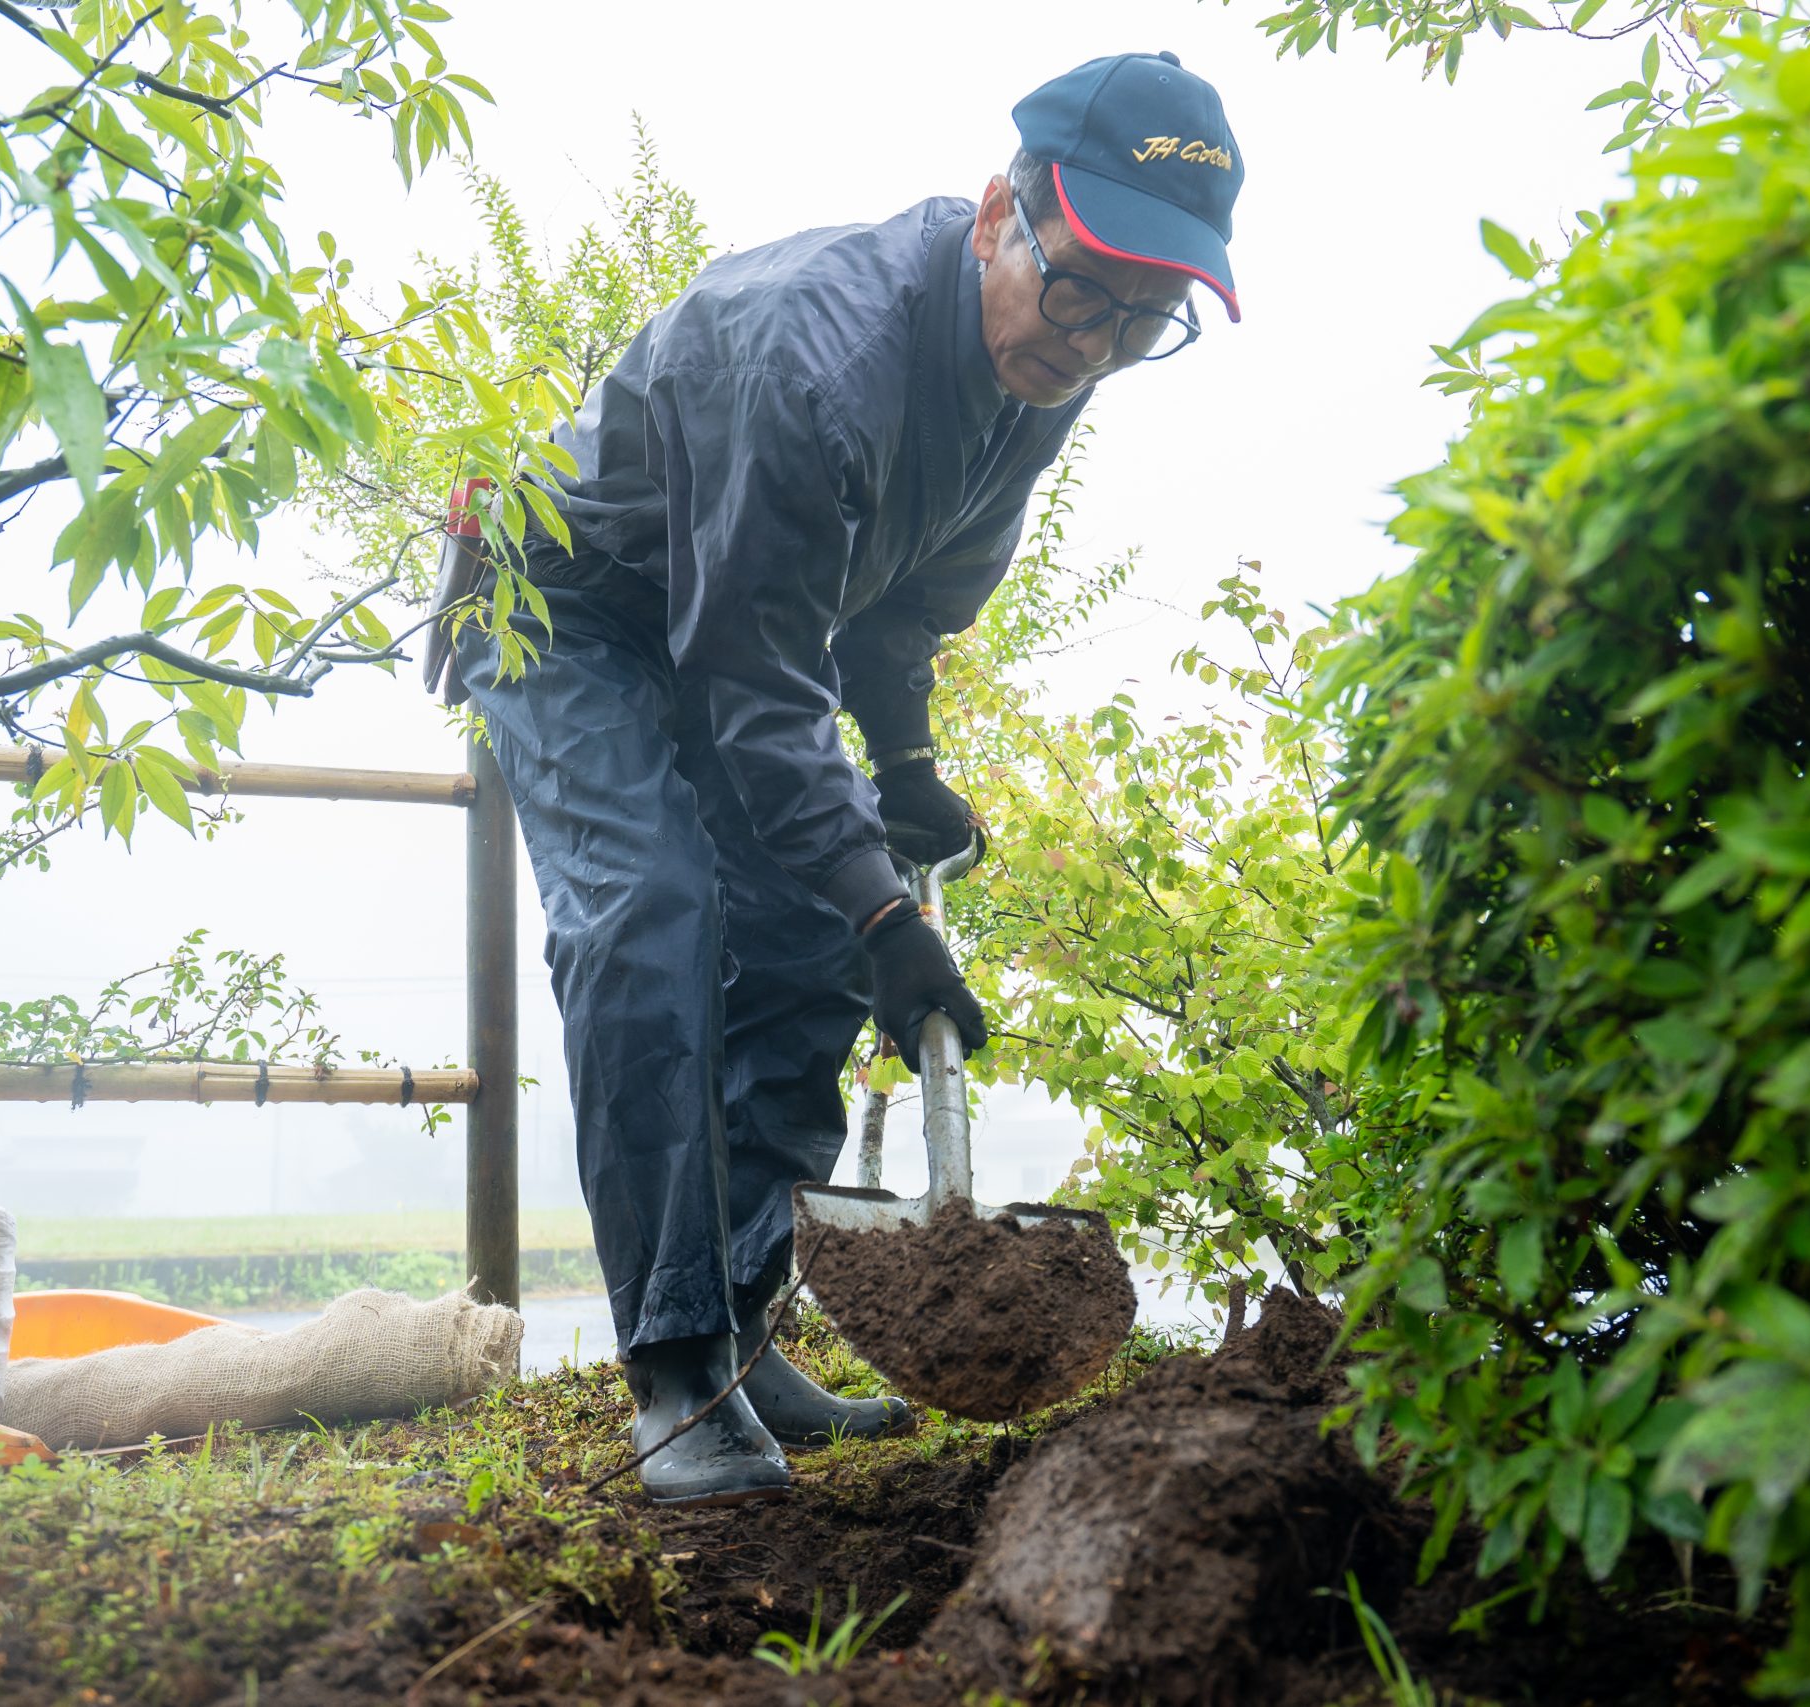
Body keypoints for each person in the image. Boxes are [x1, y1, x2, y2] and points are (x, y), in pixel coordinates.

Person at [448, 51, 1245, 1507]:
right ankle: (678, 1368)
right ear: (1005, 209)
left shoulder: (1048, 370)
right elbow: (758, 683)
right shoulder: (811, 352)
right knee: (654, 912)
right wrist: (893, 919)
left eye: (1147, 320)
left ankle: (749, 1334)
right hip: (570, 614)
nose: (1097, 342)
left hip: (726, 628)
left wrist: (909, 771)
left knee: (809, 926)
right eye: (1083, 290)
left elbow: (897, 610)